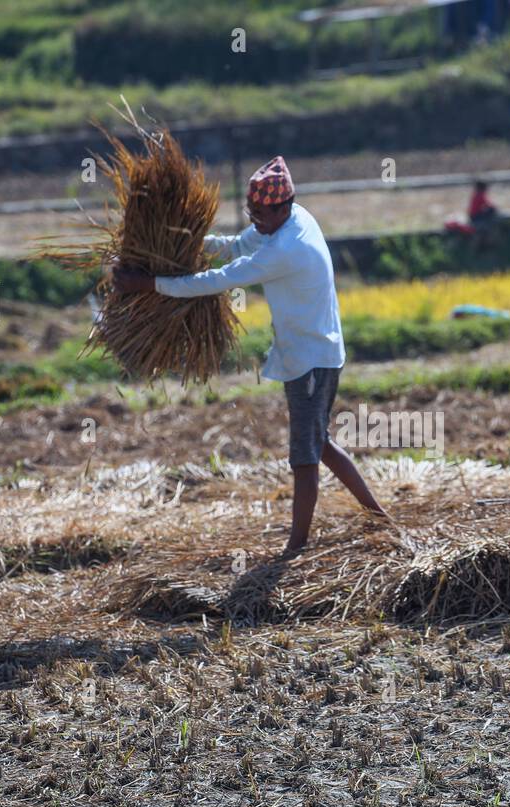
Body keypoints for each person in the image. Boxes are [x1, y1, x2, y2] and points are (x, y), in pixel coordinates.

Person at [112, 155, 387, 557]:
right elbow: (238, 246)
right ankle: (378, 516)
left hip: (312, 360)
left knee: (304, 457)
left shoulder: (287, 247)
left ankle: (296, 546)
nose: (254, 219)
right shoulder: (292, 220)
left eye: (260, 213)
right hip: (312, 353)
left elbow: (221, 279)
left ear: (281, 206)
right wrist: (173, 248)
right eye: (250, 212)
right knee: (319, 443)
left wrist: (149, 283)